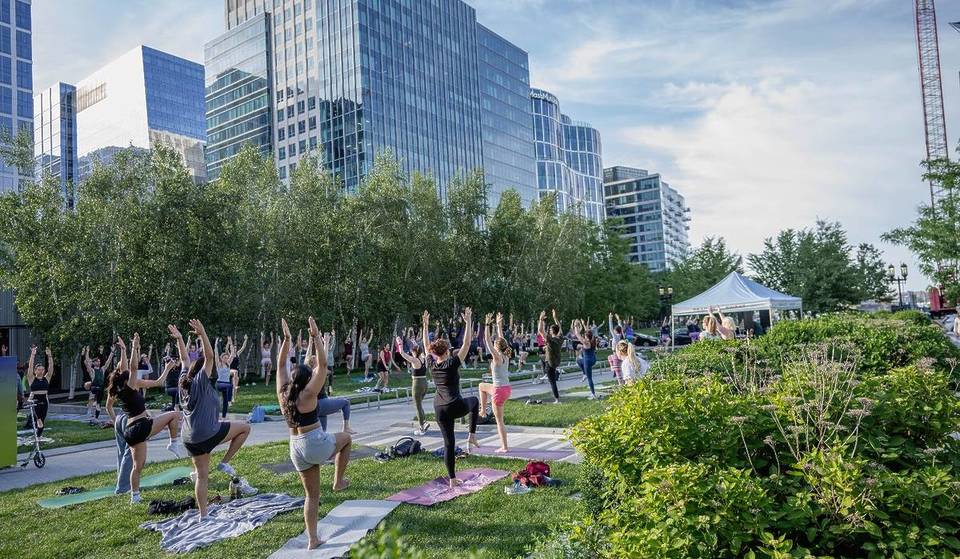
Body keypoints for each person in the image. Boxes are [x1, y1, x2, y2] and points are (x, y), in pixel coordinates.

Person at [277, 317, 352, 550]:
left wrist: (287, 341)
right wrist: (317, 336)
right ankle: (338, 481)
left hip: (295, 447)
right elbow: (322, 363)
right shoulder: (309, 395)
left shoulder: (283, 395)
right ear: (307, 381)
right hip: (314, 442)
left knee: (312, 496)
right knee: (346, 438)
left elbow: (280, 366)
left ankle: (312, 539)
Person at [173, 320, 257, 519]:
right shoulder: (201, 381)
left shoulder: (183, 381)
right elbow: (209, 355)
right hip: (206, 433)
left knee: (202, 476)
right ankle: (225, 462)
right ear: (204, 370)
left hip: (188, 438)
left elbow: (184, 358)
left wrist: (179, 339)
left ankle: (204, 515)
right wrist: (202, 333)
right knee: (244, 428)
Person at [105, 334, 185, 503]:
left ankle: (134, 496)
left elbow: (154, 380)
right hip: (141, 426)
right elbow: (132, 368)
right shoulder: (130, 385)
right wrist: (133, 347)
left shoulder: (120, 388)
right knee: (174, 415)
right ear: (126, 378)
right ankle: (173, 443)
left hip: (131, 430)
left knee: (137, 466)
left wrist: (124, 349)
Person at [422, 309, 479, 487]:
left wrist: (425, 325)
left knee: (449, 443)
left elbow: (425, 346)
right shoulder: (452, 363)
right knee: (475, 401)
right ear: (446, 351)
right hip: (455, 404)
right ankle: (472, 435)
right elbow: (467, 343)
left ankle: (452, 479)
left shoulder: (432, 364)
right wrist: (468, 321)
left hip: (439, 408)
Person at [478, 312, 512, 453]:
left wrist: (486, 324)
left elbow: (487, 340)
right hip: (506, 389)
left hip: (499, 391)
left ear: (497, 348)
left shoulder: (497, 357)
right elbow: (501, 338)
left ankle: (504, 447)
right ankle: (483, 411)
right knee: (482, 386)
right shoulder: (506, 354)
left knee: (499, 421)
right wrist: (498, 324)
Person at [396, 335, 430, 435]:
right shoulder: (423, 358)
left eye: (412, 351)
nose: (411, 352)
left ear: (414, 352)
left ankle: (422, 428)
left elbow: (402, 353)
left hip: (417, 384)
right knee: (419, 404)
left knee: (417, 406)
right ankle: (424, 422)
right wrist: (413, 341)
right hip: (425, 383)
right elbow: (418, 348)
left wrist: (399, 343)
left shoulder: (415, 360)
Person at [537, 310, 565, 404]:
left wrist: (540, 319)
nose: (548, 331)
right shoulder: (560, 338)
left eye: (550, 330)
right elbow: (559, 327)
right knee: (542, 358)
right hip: (557, 361)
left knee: (552, 381)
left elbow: (540, 331)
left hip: (551, 362)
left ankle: (557, 399)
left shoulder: (551, 340)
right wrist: (555, 318)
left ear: (553, 331)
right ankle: (548, 373)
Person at [26, 346, 53, 437]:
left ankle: (37, 437)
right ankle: (37, 438)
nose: (41, 371)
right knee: (39, 421)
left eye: (42, 369)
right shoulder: (31, 378)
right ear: (35, 371)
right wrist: (33, 354)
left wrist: (49, 356)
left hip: (44, 400)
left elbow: (51, 368)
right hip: (35, 400)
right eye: (39, 370)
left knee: (42, 421)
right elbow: (30, 367)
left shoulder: (47, 378)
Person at [83, 345, 113, 420]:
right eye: (97, 361)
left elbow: (108, 362)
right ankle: (89, 411)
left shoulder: (102, 369)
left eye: (99, 361)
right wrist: (87, 351)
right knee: (92, 397)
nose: (98, 362)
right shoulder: (92, 371)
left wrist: (112, 352)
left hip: (100, 388)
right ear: (93, 363)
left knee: (98, 403)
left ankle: (96, 417)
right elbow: (86, 361)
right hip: (94, 387)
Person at [573, 319, 599, 399]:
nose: (584, 336)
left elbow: (577, 334)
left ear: (586, 337)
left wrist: (575, 325)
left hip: (587, 361)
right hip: (593, 360)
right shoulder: (593, 339)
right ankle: (584, 374)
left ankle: (593, 394)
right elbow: (588, 331)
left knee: (589, 378)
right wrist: (584, 324)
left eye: (585, 336)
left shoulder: (586, 342)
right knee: (578, 360)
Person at [215, 346, 238, 419]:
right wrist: (216, 345)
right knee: (230, 386)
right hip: (219, 384)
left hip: (226, 384)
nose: (227, 359)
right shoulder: (219, 364)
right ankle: (230, 400)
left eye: (227, 358)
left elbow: (232, 354)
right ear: (221, 358)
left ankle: (224, 417)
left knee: (225, 402)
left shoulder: (228, 364)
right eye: (225, 358)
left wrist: (231, 343)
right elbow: (216, 355)